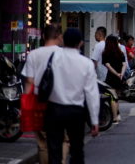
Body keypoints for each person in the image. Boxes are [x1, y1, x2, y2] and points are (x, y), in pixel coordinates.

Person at [44, 28, 99, 164]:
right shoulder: (86, 63)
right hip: (76, 111)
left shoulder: (53, 58)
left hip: (54, 109)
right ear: (80, 43)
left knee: (54, 149)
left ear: (63, 40)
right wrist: (94, 120)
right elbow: (91, 93)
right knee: (77, 149)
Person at [21, 25, 65, 164]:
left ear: (43, 37)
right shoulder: (64, 55)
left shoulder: (33, 54)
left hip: (39, 101)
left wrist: (25, 106)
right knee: (63, 139)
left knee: (42, 142)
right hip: (61, 102)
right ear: (59, 36)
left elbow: (29, 81)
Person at [101, 34, 126, 124]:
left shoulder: (105, 53)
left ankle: (115, 117)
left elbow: (108, 66)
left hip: (111, 77)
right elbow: (124, 64)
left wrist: (116, 74)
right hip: (119, 78)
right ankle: (117, 115)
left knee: (112, 97)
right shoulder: (120, 53)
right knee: (116, 97)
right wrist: (121, 74)